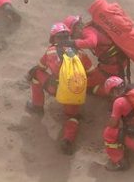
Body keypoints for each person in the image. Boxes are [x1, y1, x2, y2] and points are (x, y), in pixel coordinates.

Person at [25, 22, 93, 154]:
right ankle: (68, 139)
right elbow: (92, 73)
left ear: (53, 38)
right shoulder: (81, 53)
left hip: (55, 88)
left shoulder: (50, 51)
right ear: (69, 36)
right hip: (74, 91)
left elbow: (40, 68)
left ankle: (37, 106)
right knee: (73, 116)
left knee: (36, 75)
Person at [57, 14, 130, 96]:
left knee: (84, 85)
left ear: (76, 28)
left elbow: (91, 43)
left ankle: (117, 92)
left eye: (72, 35)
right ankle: (116, 84)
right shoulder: (91, 28)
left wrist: (73, 43)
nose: (74, 37)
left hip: (112, 64)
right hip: (116, 60)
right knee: (91, 79)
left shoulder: (87, 31)